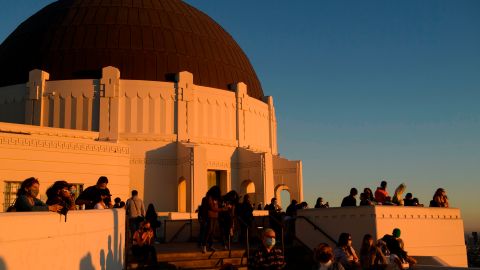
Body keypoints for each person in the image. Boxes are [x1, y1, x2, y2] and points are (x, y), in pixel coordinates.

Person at [202, 186, 225, 253]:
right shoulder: (210, 197)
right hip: (210, 216)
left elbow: (217, 206)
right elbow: (212, 208)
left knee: (213, 232)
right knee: (209, 231)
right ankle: (204, 246)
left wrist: (223, 206)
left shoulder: (216, 198)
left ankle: (211, 245)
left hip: (215, 216)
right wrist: (221, 209)